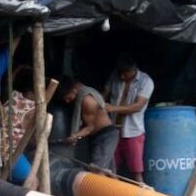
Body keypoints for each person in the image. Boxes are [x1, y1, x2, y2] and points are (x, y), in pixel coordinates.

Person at [104, 54, 154, 183]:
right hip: (113, 129)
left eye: (125, 73)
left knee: (137, 171)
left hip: (133, 131)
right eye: (120, 73)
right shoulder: (115, 75)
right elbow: (104, 94)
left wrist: (112, 108)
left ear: (134, 69)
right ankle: (112, 195)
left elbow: (137, 106)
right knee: (111, 167)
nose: (122, 77)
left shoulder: (146, 81)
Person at [57, 75, 118, 171]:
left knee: (97, 171)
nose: (67, 101)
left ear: (74, 90)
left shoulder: (87, 101)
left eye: (68, 98)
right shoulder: (79, 89)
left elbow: (90, 127)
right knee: (109, 174)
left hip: (105, 136)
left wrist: (75, 136)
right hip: (99, 136)